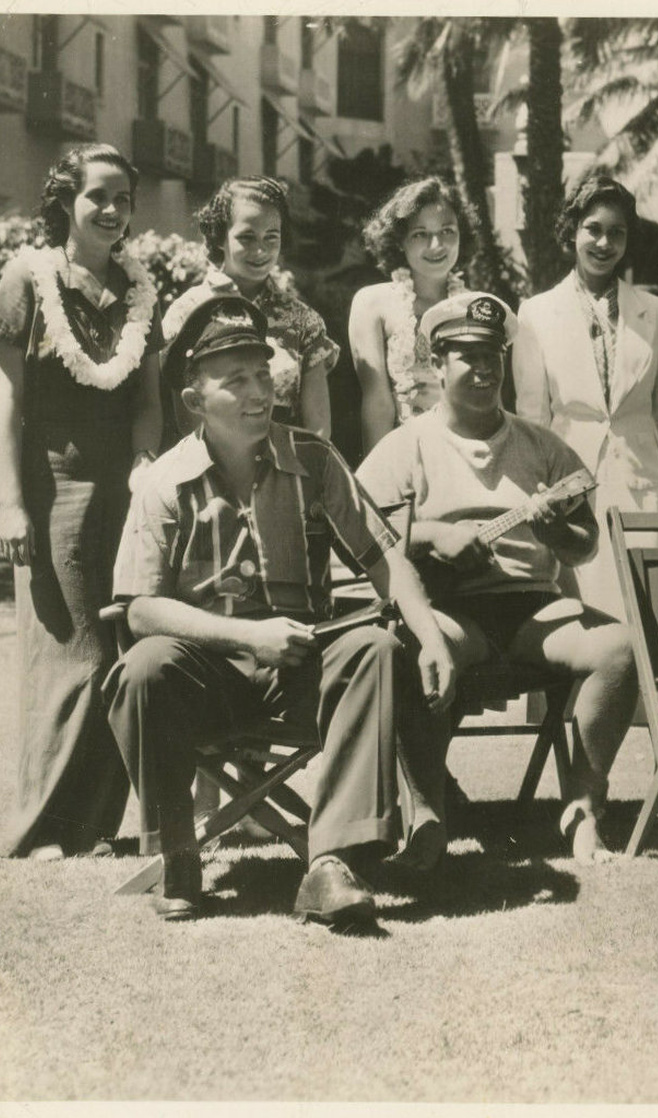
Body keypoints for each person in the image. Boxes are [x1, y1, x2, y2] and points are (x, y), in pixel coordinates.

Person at [103, 293, 456, 928]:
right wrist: (245, 634)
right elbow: (139, 609)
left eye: (264, 375)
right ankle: (180, 854)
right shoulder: (163, 482)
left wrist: (430, 635)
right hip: (206, 679)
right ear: (192, 402)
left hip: (302, 673)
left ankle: (330, 863)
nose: (257, 391)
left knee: (372, 646)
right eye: (234, 379)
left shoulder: (315, 460)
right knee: (142, 668)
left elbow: (383, 558)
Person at [358, 292, 639, 865]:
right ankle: (427, 816)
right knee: (414, 646)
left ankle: (584, 808)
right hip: (447, 607)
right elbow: (357, 535)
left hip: (532, 607)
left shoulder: (542, 446)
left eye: (493, 357)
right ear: (437, 365)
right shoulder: (402, 446)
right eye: (468, 357)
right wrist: (433, 536)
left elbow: (584, 544)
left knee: (616, 646)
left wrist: (556, 532)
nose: (485, 371)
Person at [0, 142, 164, 860]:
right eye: (98, 196)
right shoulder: (27, 279)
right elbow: (7, 408)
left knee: (120, 646)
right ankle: (43, 826)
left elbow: (148, 400)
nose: (113, 211)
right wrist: (9, 504)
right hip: (52, 488)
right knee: (67, 654)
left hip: (125, 488)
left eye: (123, 198)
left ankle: (91, 824)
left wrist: (146, 468)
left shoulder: (140, 288)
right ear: (64, 199)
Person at [514, 175, 658, 618]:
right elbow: (532, 418)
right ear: (572, 231)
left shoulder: (655, 311)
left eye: (617, 232)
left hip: (641, 489)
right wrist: (536, 500)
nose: (604, 242)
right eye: (593, 228)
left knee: (645, 621)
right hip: (570, 494)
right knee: (578, 620)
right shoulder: (536, 313)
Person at [163, 176, 337, 439]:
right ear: (220, 237)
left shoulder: (303, 320)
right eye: (247, 237)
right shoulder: (187, 312)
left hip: (285, 464)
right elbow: (179, 415)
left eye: (271, 237)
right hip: (205, 461)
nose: (260, 250)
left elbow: (318, 428)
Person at [349, 176, 471, 455]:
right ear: (399, 241)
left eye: (448, 231)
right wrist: (379, 482)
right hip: (401, 452)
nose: (436, 245)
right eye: (420, 234)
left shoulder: (475, 305)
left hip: (465, 453)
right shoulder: (372, 303)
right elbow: (377, 402)